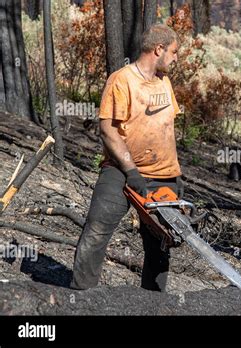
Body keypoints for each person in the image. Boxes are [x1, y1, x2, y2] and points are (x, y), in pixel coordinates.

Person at [70, 24, 182, 291]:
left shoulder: (165, 82)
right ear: (158, 49)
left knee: (160, 243)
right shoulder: (122, 79)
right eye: (174, 52)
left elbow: (165, 129)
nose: (176, 58)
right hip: (121, 170)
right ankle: (81, 296)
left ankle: (152, 304)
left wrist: (175, 176)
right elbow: (107, 130)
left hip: (164, 176)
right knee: (96, 229)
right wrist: (131, 170)